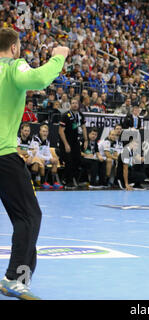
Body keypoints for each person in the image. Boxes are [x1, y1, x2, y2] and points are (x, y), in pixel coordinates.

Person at [0, 27, 68, 300]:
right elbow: (39, 79)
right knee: (29, 216)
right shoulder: (13, 66)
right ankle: (14, 279)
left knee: (25, 217)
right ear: (15, 48)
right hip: (3, 156)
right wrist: (58, 57)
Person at [59, 97, 88, 189]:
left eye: (76, 103)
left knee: (78, 160)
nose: (75, 105)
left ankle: (75, 179)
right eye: (73, 103)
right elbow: (61, 131)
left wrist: (86, 140)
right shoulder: (65, 115)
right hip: (67, 141)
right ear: (70, 104)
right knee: (69, 161)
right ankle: (68, 182)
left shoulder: (80, 115)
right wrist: (66, 144)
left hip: (76, 142)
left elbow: (83, 127)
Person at [31, 124, 62, 190]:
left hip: (43, 158)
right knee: (41, 161)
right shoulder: (35, 139)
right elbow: (37, 154)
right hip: (35, 158)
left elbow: (48, 153)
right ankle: (42, 182)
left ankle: (53, 182)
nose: (45, 133)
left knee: (55, 161)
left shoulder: (47, 141)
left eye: (46, 132)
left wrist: (51, 158)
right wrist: (47, 158)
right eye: (43, 131)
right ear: (40, 132)